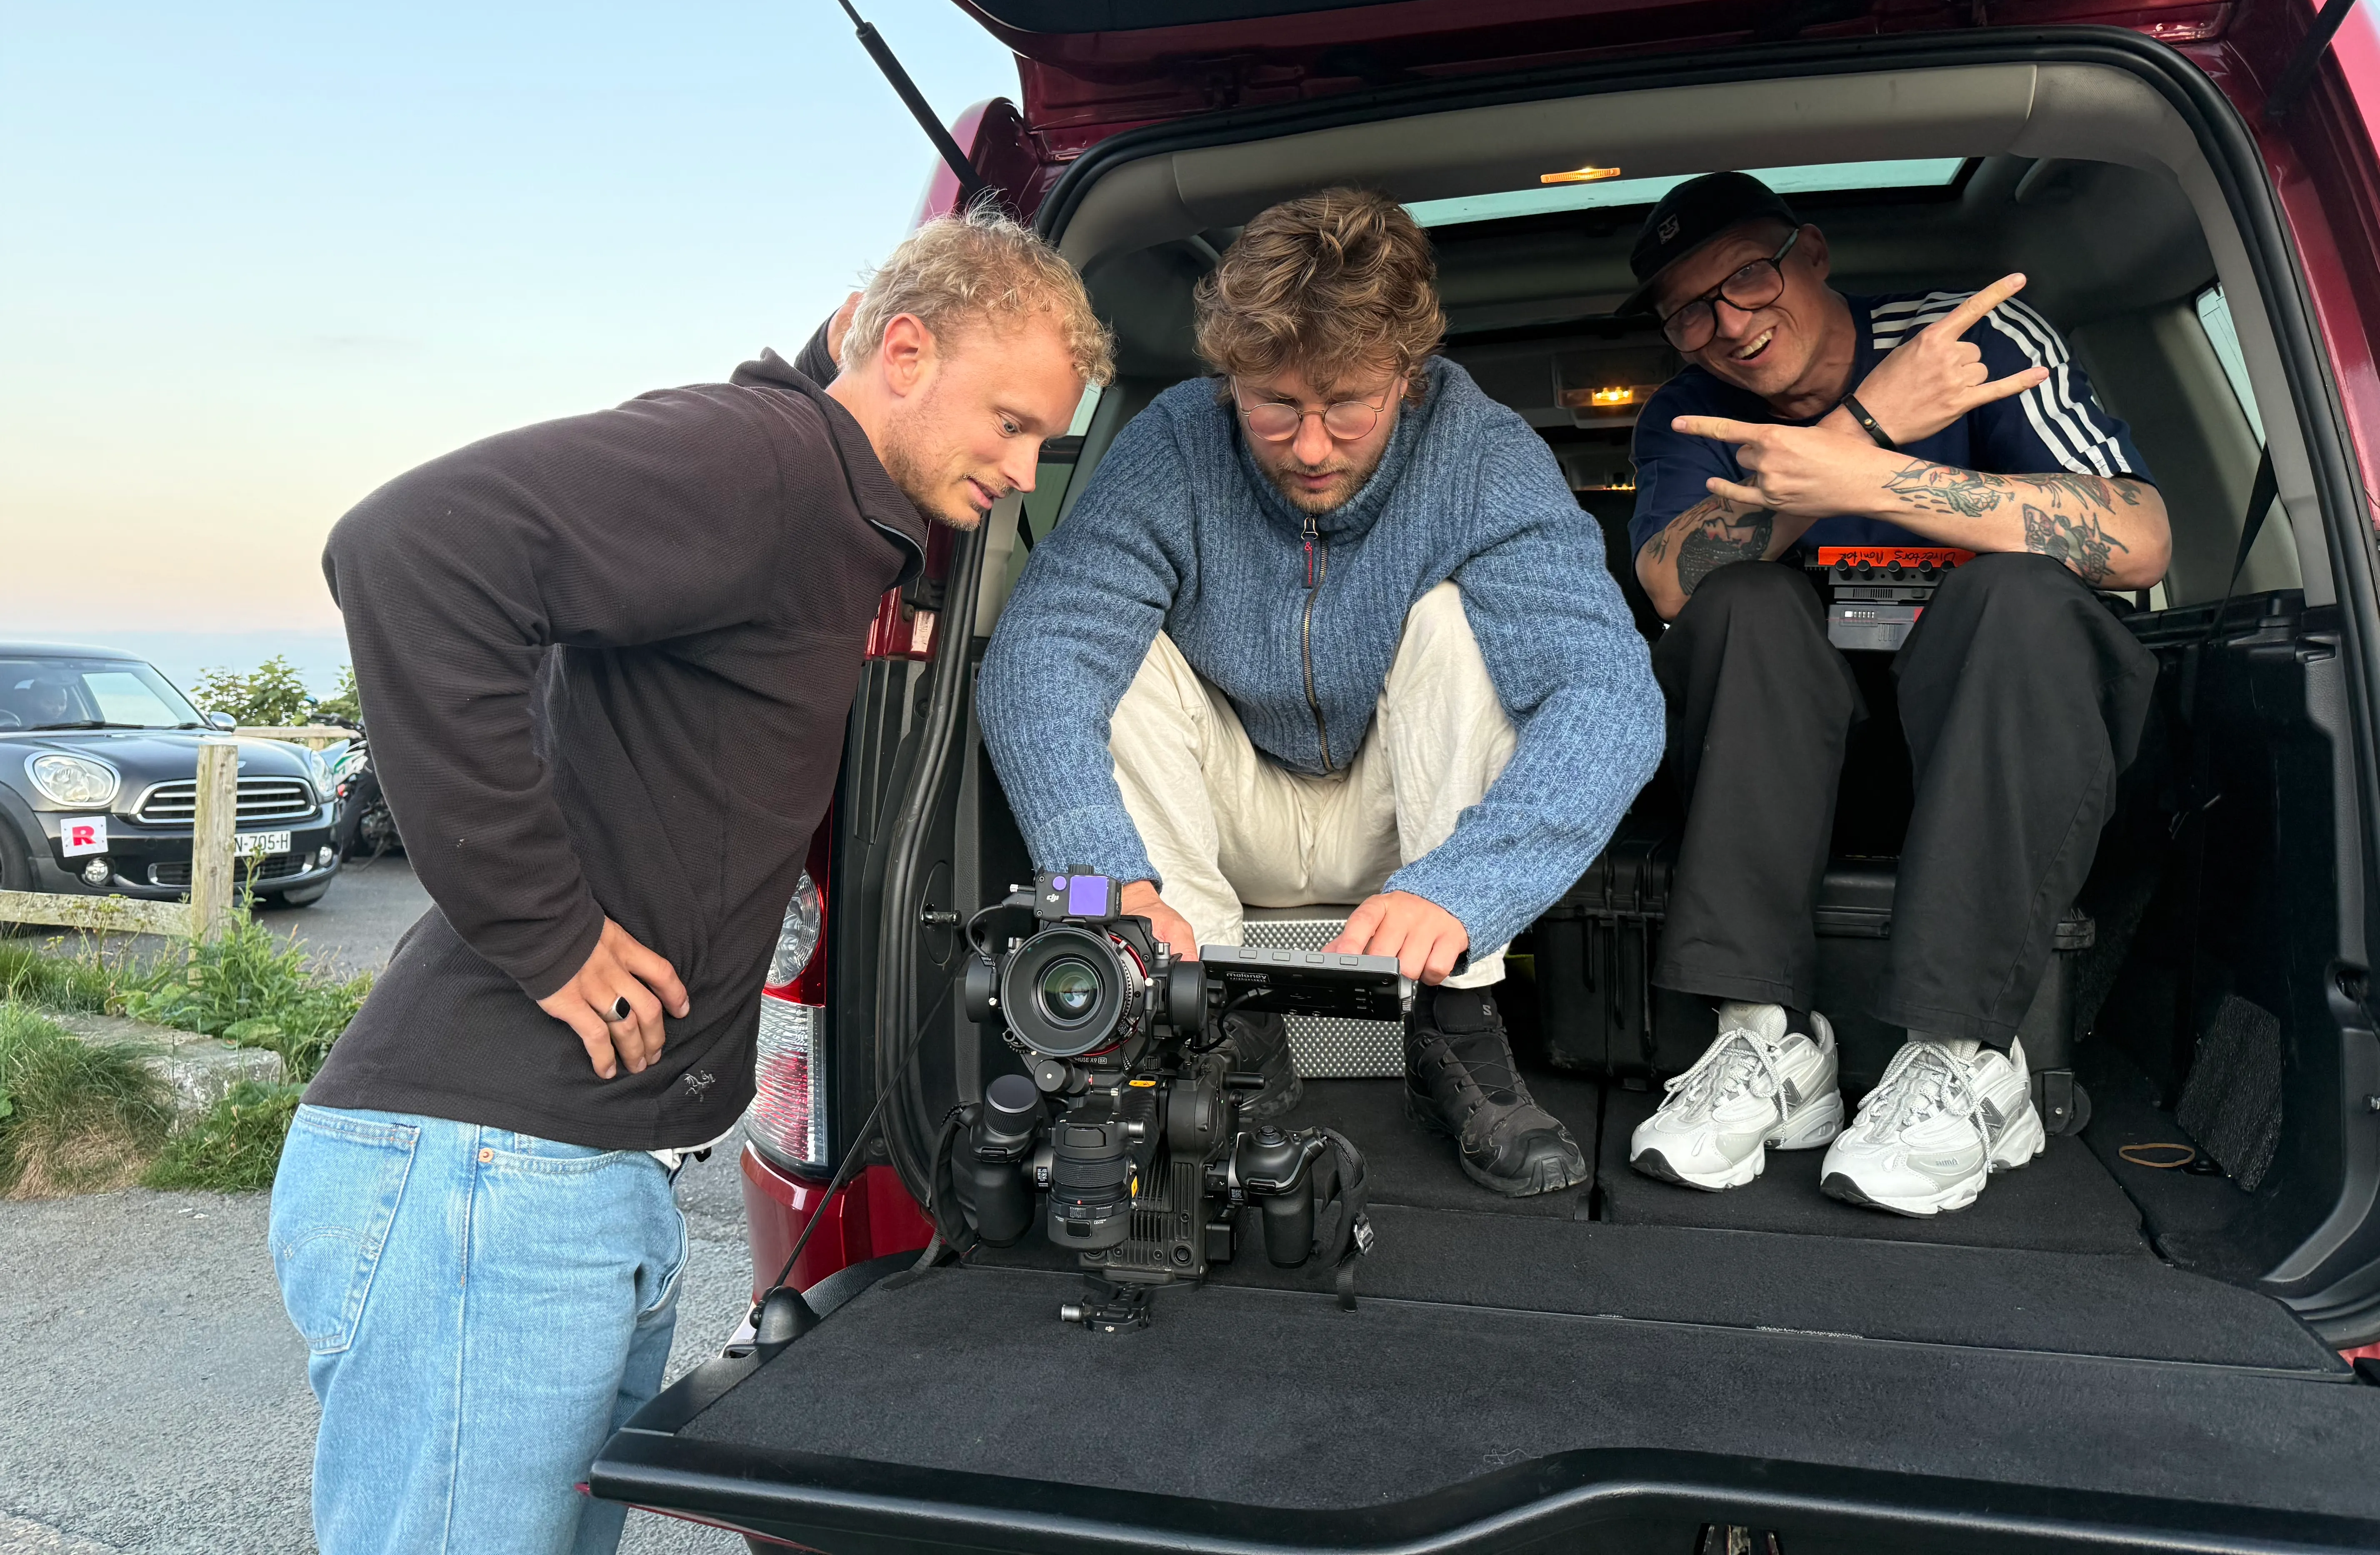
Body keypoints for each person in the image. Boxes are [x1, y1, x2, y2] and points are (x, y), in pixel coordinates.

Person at [269, 208, 1112, 1555]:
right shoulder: (767, 462)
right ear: (901, 349)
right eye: (1009, 423)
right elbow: (408, 548)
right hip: (489, 1168)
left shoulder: (835, 517)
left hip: (576, 1179)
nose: (1020, 470)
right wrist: (544, 930)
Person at [977, 188, 1664, 1198]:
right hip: (1229, 809)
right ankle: (1211, 1028)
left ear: (1409, 376)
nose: (1308, 446)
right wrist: (1104, 876)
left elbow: (1610, 697)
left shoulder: (1482, 453)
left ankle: (1455, 1033)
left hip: (1408, 829)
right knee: (1092, 656)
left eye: (1346, 405)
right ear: (1228, 380)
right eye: (1274, 405)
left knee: (1458, 628)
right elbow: (1039, 658)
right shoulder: (1175, 444)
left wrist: (1466, 890)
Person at [1619, 171, 2167, 1216]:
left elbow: (2140, 538)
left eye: (1749, 277)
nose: (1729, 325)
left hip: (2010, 746)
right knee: (1738, 606)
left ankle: (1966, 1062)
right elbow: (1668, 584)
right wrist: (1865, 431)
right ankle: (1764, 1045)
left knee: (2017, 592)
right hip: (1801, 769)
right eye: (1690, 309)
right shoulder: (1689, 413)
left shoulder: (1968, 342)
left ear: (1813, 255)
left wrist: (1862, 483)